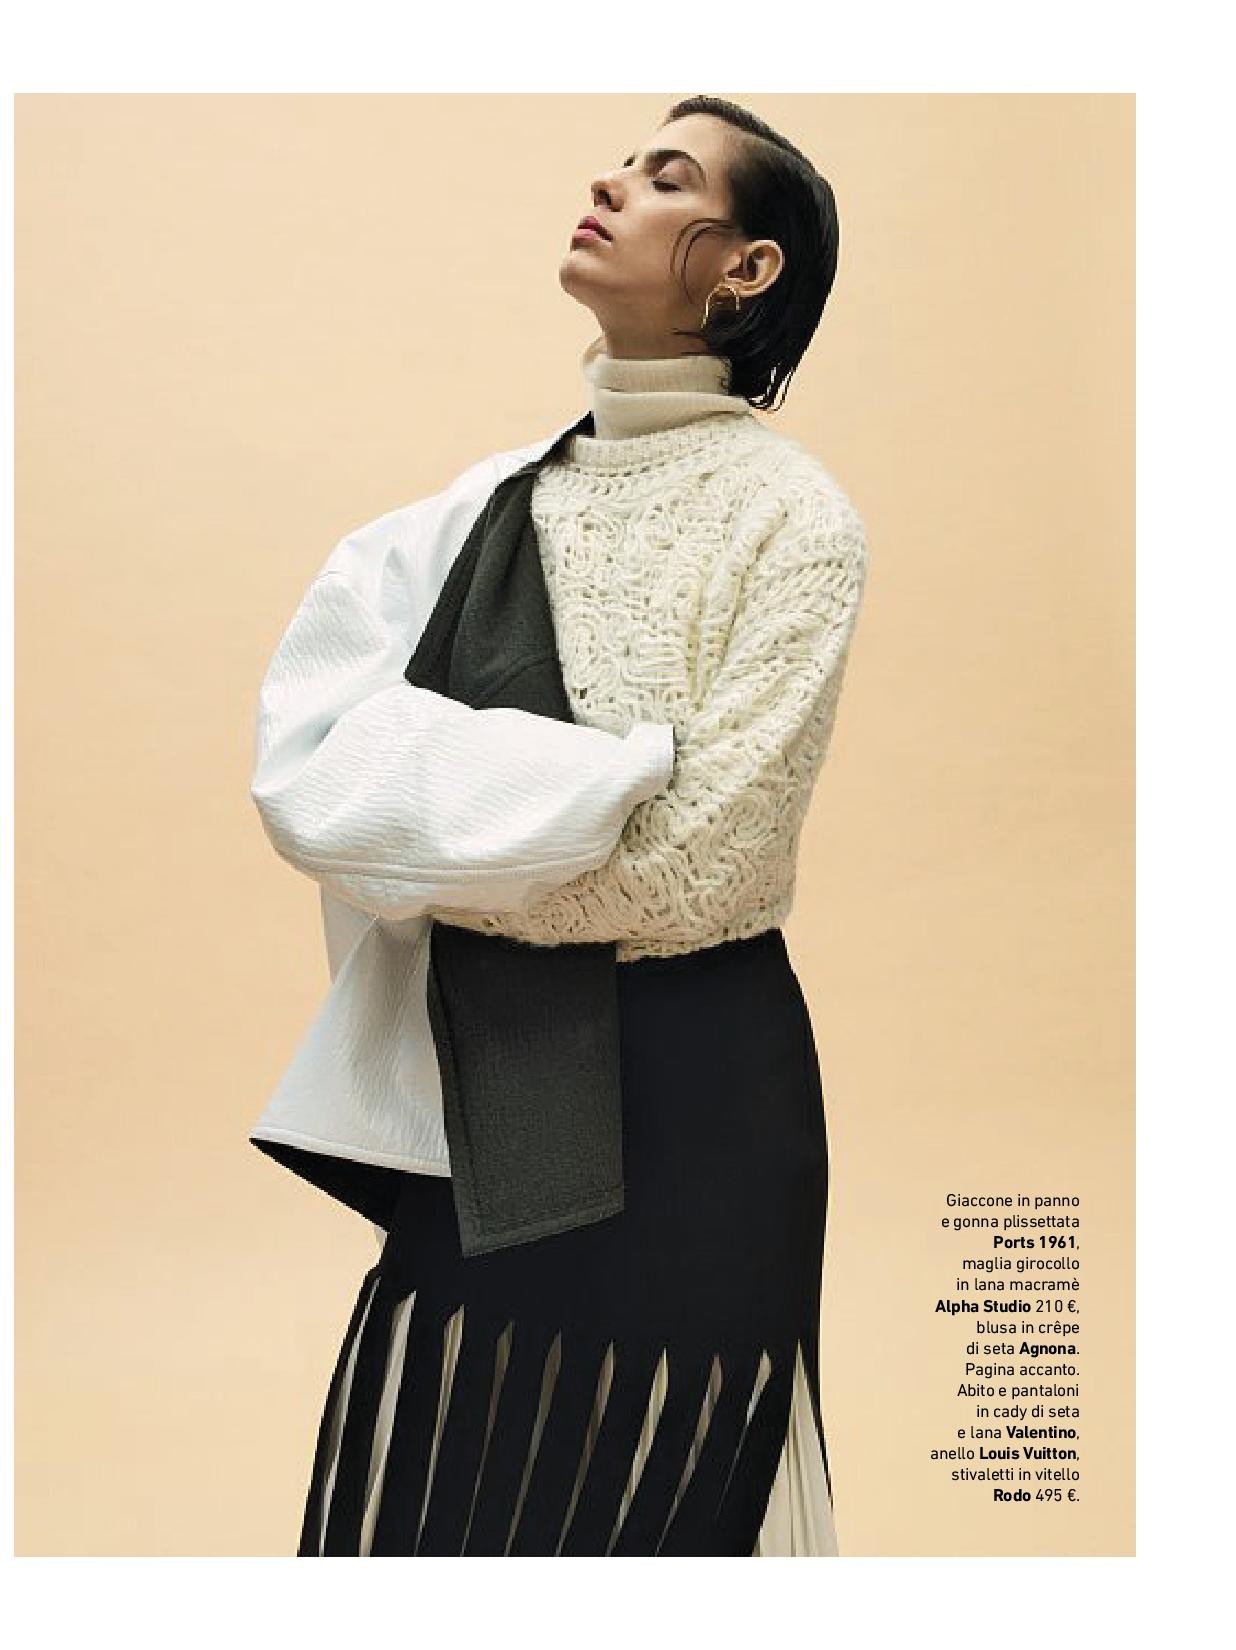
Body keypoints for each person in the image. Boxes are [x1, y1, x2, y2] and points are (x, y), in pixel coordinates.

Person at [248, 94, 870, 1557]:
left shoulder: (797, 520)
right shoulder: (482, 507)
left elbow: (708, 862)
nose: (613, 179)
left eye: (668, 177)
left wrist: (441, 844)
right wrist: (597, 789)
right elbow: (318, 776)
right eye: (627, 161)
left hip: (700, 1086)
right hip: (499, 1073)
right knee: (444, 1499)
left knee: (661, 1514)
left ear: (746, 268)